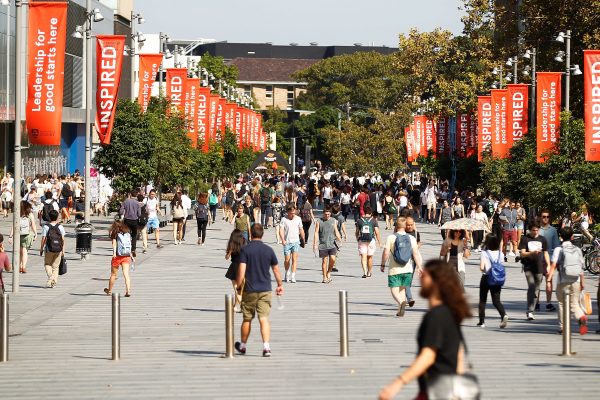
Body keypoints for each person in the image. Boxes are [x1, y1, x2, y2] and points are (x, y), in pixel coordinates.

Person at [378, 259, 473, 400]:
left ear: (436, 283)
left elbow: (428, 356)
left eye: (424, 275)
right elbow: (459, 352)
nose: (420, 277)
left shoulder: (436, 316)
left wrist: (397, 384)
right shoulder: (449, 313)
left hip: (436, 390)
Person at [235, 223, 284, 357]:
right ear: (262, 234)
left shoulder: (245, 250)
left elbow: (242, 270)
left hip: (249, 290)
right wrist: (280, 284)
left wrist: (239, 286)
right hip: (265, 289)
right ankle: (266, 347)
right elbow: (276, 269)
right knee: (264, 318)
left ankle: (243, 345)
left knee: (247, 319)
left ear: (251, 233)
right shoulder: (268, 250)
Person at [547, 227, 588, 335]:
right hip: (576, 280)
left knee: (561, 303)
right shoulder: (578, 250)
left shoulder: (558, 249)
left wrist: (549, 279)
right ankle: (581, 317)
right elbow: (581, 268)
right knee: (575, 303)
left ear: (561, 237)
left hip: (563, 280)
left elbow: (553, 265)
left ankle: (563, 327)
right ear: (572, 237)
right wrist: (582, 283)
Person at [380, 217, 423, 317]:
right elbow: (416, 253)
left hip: (394, 269)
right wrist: (419, 267)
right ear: (405, 226)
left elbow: (386, 253)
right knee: (402, 289)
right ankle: (400, 310)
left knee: (394, 289)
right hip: (408, 268)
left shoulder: (391, 237)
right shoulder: (411, 238)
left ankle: (401, 303)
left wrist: (383, 264)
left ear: (396, 226)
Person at [519, 220, 550, 320]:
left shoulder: (543, 239)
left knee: (536, 290)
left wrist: (548, 265)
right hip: (528, 266)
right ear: (530, 230)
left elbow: (545, 253)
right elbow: (522, 253)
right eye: (533, 230)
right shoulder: (525, 239)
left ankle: (532, 308)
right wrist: (532, 252)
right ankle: (530, 311)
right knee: (531, 287)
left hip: (539, 267)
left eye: (537, 230)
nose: (535, 232)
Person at [477, 234, 508, 328]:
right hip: (497, 279)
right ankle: (503, 315)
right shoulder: (501, 254)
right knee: (496, 301)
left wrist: (483, 269)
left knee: (483, 300)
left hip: (486, 278)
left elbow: (482, 268)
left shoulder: (484, 253)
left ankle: (482, 322)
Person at [104, 220, 132, 297]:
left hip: (117, 256)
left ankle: (109, 291)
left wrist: (113, 253)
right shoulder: (127, 232)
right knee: (126, 274)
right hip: (126, 255)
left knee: (113, 275)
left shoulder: (115, 233)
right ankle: (128, 291)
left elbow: (114, 244)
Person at [313, 207, 342, 283]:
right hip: (323, 245)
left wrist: (339, 239)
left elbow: (336, 230)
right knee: (324, 261)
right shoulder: (319, 221)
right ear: (323, 213)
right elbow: (316, 232)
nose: (327, 216)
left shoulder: (333, 220)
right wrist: (315, 244)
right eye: (326, 214)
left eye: (329, 214)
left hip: (332, 244)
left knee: (333, 259)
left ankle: (328, 272)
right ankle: (324, 277)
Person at [539, 210, 560, 312]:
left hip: (550, 258)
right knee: (537, 281)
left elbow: (557, 246)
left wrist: (557, 260)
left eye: (547, 217)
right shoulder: (536, 229)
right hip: (538, 258)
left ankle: (548, 302)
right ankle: (536, 303)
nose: (545, 218)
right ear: (540, 217)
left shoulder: (553, 230)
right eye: (543, 216)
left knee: (549, 280)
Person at [9, 201, 38, 273]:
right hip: (27, 234)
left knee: (19, 252)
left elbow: (14, 226)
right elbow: (33, 225)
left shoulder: (17, 214)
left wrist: (10, 236)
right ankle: (23, 267)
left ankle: (19, 266)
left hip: (18, 234)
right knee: (25, 251)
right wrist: (35, 233)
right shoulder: (30, 214)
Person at [278, 205, 305, 283]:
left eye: (294, 212)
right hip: (287, 242)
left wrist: (303, 239)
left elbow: (301, 229)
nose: (293, 214)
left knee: (294, 259)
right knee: (287, 260)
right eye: (291, 213)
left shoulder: (298, 219)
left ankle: (293, 275)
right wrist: (282, 239)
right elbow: (281, 230)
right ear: (288, 212)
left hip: (296, 242)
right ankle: (287, 272)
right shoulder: (284, 219)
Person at [39, 209, 65, 288]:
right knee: (55, 266)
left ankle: (51, 277)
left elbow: (43, 239)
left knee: (47, 264)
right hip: (58, 249)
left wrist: (41, 249)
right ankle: (54, 282)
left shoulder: (46, 227)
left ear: (49, 217)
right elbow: (63, 239)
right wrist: (63, 250)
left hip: (49, 249)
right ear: (57, 217)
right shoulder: (60, 227)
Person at [355, 206, 381, 278]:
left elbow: (357, 232)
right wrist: (379, 242)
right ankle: (369, 272)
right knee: (370, 257)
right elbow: (377, 232)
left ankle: (365, 272)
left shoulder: (359, 220)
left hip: (362, 240)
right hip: (371, 240)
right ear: (371, 213)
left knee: (363, 256)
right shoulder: (374, 220)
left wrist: (357, 238)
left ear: (364, 212)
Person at [225, 229, 246, 312]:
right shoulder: (244, 242)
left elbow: (226, 258)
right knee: (240, 289)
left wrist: (230, 251)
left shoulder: (232, 244)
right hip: (243, 266)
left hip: (234, 267)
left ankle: (242, 306)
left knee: (237, 289)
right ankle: (235, 306)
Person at [404, 216, 421, 308]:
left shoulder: (416, 233)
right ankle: (409, 298)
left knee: (409, 279)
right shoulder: (401, 233)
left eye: (411, 225)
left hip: (413, 259)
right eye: (408, 225)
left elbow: (418, 242)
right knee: (406, 279)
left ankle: (405, 296)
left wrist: (417, 246)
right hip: (403, 259)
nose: (410, 226)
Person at [120, 190, 141, 257]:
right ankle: (133, 249)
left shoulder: (125, 201)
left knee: (126, 234)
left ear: (130, 195)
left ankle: (126, 248)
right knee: (134, 235)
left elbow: (121, 212)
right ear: (136, 195)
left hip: (127, 220)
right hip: (135, 220)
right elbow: (139, 214)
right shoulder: (137, 203)